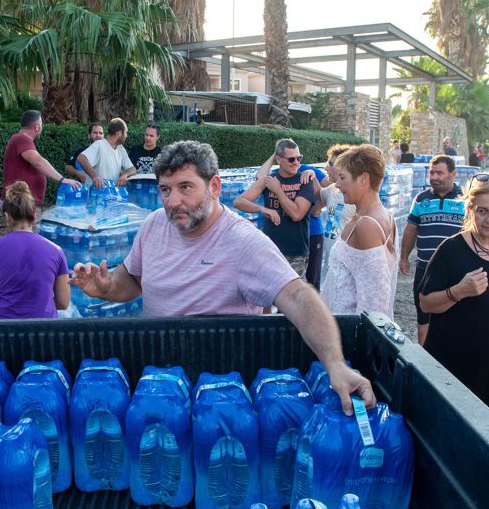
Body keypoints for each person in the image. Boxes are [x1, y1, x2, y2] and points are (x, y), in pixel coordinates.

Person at [69, 140, 375, 415]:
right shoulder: (153, 226)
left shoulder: (242, 241)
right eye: (165, 189)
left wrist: (335, 364)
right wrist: (107, 287)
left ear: (214, 187)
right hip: (159, 390)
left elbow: (298, 296)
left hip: (221, 399)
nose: (173, 201)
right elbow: (133, 279)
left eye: (185, 187)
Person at [419, 174, 489, 426]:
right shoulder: (451, 250)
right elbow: (425, 303)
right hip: (453, 365)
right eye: (482, 211)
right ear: (469, 209)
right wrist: (458, 291)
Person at [320, 145, 398, 318]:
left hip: (347, 337)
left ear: (364, 179)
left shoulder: (367, 225)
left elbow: (375, 304)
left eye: (342, 177)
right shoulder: (377, 216)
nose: (337, 185)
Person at [0, 181, 70, 320]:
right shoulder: (56, 250)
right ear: (34, 215)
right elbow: (63, 302)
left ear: (7, 217)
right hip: (44, 330)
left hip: (4, 327)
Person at [399, 155, 465, 344]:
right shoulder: (421, 199)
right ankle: (426, 361)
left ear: (453, 174)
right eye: (432, 173)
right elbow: (411, 229)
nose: (434, 177)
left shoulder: (464, 199)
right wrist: (404, 257)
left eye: (440, 173)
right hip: (425, 270)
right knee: (424, 316)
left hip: (456, 273)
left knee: (455, 319)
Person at [233, 138, 317, 278]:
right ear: (278, 159)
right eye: (291, 159)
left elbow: (297, 214)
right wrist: (263, 209)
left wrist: (278, 190)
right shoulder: (269, 180)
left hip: (295, 252)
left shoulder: (304, 180)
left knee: (292, 297)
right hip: (270, 249)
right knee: (268, 294)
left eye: (299, 158)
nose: (296, 162)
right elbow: (239, 202)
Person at [2, 110, 81, 206]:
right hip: (18, 204)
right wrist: (63, 179)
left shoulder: (20, 139)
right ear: (37, 127)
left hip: (21, 203)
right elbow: (38, 162)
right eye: (41, 125)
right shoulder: (21, 139)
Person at [320, 144, 357, 271]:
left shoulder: (357, 199)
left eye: (330, 164)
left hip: (347, 269)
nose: (326, 168)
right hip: (329, 266)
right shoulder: (332, 190)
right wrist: (309, 173)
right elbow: (318, 191)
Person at [77, 117, 137, 187]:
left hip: (113, 195)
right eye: (126, 132)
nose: (126, 136)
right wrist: (95, 176)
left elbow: (133, 169)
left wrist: (124, 174)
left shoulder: (120, 148)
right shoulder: (99, 145)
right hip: (96, 195)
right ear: (119, 133)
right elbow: (81, 158)